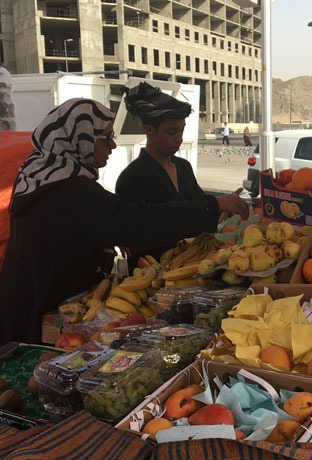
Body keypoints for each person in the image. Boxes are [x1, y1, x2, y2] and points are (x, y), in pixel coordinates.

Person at [0, 98, 248, 345]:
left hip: (38, 303)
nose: (113, 145)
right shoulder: (67, 192)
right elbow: (137, 220)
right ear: (82, 139)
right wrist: (212, 206)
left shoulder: (42, 179)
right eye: (105, 138)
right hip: (38, 317)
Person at [115, 83, 245, 269]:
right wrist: (214, 205)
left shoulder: (183, 167)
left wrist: (222, 211)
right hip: (154, 275)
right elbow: (141, 229)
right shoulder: (132, 178)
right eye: (172, 132)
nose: (179, 138)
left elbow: (200, 209)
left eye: (181, 130)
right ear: (149, 131)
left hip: (194, 268)